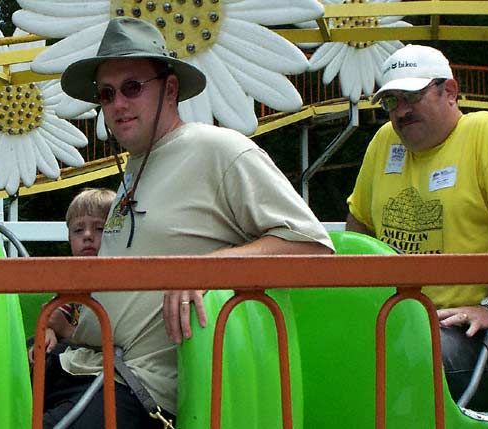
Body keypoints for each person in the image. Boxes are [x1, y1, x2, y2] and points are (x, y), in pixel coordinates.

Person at [50, 17, 334, 429]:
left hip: (140, 385)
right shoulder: (137, 166)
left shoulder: (219, 149)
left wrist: (211, 270)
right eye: (107, 93)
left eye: (132, 87)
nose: (117, 104)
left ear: (169, 89)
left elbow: (313, 247)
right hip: (86, 363)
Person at [346, 44, 488, 410]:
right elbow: (358, 228)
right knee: (324, 348)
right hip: (400, 323)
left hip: (481, 333)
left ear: (449, 91)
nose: (401, 111)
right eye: (391, 101)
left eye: (412, 96)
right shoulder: (386, 142)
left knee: (409, 359)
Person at [28, 188, 115, 363]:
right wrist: (49, 332)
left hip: (102, 362)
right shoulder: (72, 283)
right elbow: (52, 319)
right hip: (73, 355)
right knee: (36, 346)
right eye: (78, 230)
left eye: (100, 228)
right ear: (69, 238)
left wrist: (67, 331)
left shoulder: (118, 283)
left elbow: (115, 339)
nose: (88, 235)